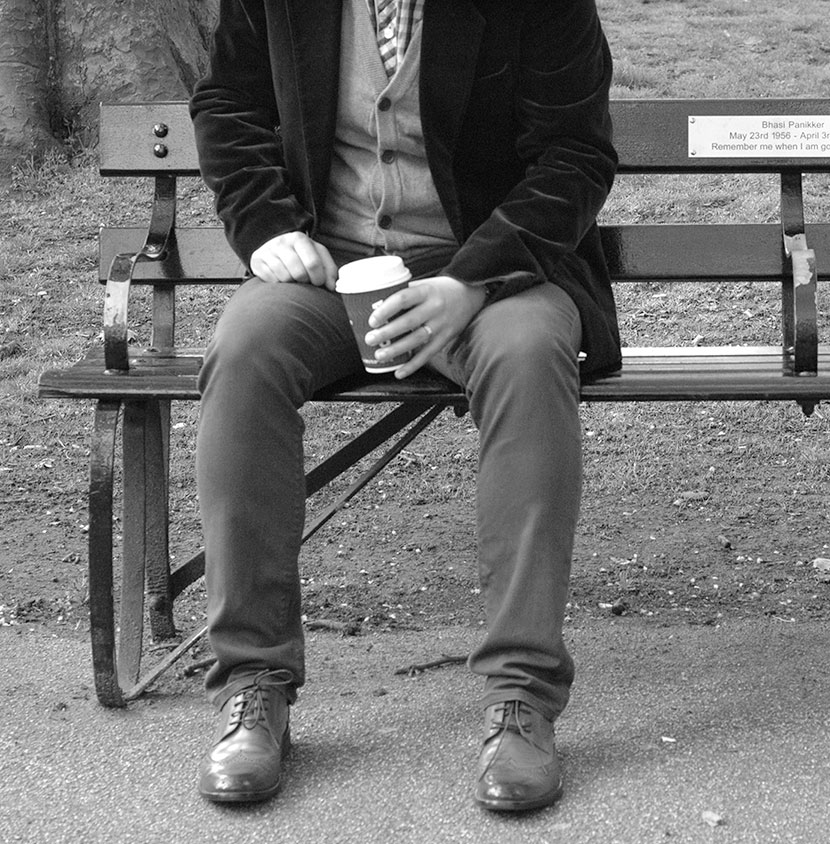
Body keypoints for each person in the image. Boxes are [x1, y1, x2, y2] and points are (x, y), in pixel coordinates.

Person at [188, 0, 620, 811]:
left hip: (494, 273)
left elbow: (574, 156)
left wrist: (472, 280)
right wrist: (266, 225)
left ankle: (521, 698)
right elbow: (229, 103)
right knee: (245, 352)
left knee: (527, 356)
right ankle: (253, 686)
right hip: (332, 271)